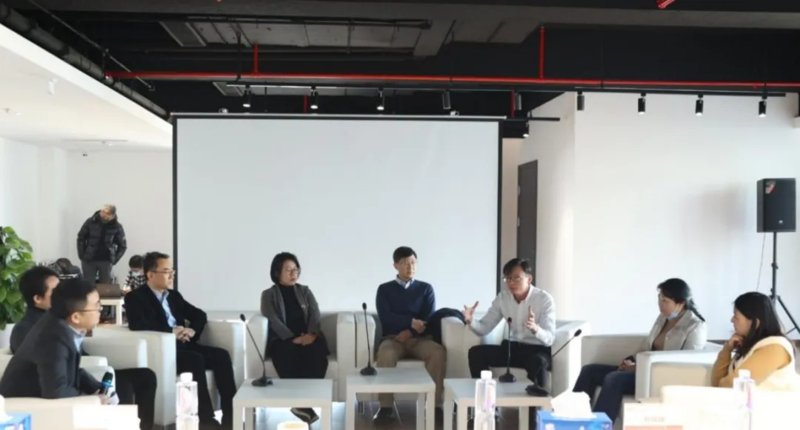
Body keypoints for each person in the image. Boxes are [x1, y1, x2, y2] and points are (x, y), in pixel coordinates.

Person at [8, 269, 157, 430]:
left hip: (49, 400)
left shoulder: (62, 325)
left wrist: (96, 388)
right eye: (96, 306)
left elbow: (71, 370)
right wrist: (93, 400)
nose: (100, 311)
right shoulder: (52, 338)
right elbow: (56, 392)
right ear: (76, 317)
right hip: (28, 412)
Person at [124, 252, 236, 429]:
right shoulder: (135, 298)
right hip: (165, 352)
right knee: (195, 359)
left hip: (185, 344)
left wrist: (192, 331)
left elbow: (199, 315)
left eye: (172, 271)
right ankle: (206, 420)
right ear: (150, 275)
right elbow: (138, 324)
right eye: (166, 271)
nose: (171, 276)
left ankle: (232, 417)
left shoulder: (174, 296)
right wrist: (171, 332)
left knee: (221, 356)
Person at [572, 278, 707, 422]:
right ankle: (572, 421)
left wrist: (638, 368)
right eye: (659, 298)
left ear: (681, 303)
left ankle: (598, 427)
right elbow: (646, 345)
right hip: (640, 369)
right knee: (589, 371)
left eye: (665, 300)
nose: (660, 304)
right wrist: (630, 360)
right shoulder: (663, 318)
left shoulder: (695, 326)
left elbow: (686, 363)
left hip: (656, 378)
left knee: (614, 378)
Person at [373, 246, 445, 424]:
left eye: (413, 262)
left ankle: (433, 405)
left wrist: (410, 331)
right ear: (395, 265)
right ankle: (385, 407)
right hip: (393, 338)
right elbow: (386, 316)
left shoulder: (426, 289)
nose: (410, 267)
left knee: (438, 352)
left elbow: (427, 317)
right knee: (386, 353)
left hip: (419, 339)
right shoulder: (384, 289)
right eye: (405, 263)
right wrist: (411, 322)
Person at [464, 258, 556, 388]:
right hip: (511, 348)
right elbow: (484, 328)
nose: (511, 283)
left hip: (536, 349)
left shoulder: (544, 299)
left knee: (538, 362)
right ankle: (486, 395)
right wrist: (470, 320)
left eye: (516, 278)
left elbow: (550, 338)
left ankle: (534, 401)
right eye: (507, 278)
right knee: (476, 353)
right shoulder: (502, 298)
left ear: (529, 279)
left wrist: (535, 328)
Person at [260, 252, 328, 424]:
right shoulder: (268, 294)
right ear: (277, 273)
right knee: (286, 352)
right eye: (288, 270)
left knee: (317, 351)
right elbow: (271, 318)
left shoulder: (305, 291)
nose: (293, 273)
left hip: (309, 336)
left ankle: (305, 401)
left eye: (295, 269)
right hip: (283, 339)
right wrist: (292, 338)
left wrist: (311, 334)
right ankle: (301, 404)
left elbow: (315, 313)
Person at [712, 292, 800, 391]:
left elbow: (731, 385)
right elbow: (716, 382)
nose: (731, 320)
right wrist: (727, 349)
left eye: (736, 317)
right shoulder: (749, 343)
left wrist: (721, 384)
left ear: (755, 322)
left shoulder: (775, 348)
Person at [77, 204, 127, 284]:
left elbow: (123, 245)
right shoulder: (90, 222)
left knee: (105, 287)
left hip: (106, 261)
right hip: (89, 259)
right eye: (102, 211)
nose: (103, 214)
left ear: (112, 215)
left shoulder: (117, 226)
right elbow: (81, 237)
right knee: (88, 286)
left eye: (107, 213)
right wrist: (81, 254)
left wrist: (114, 259)